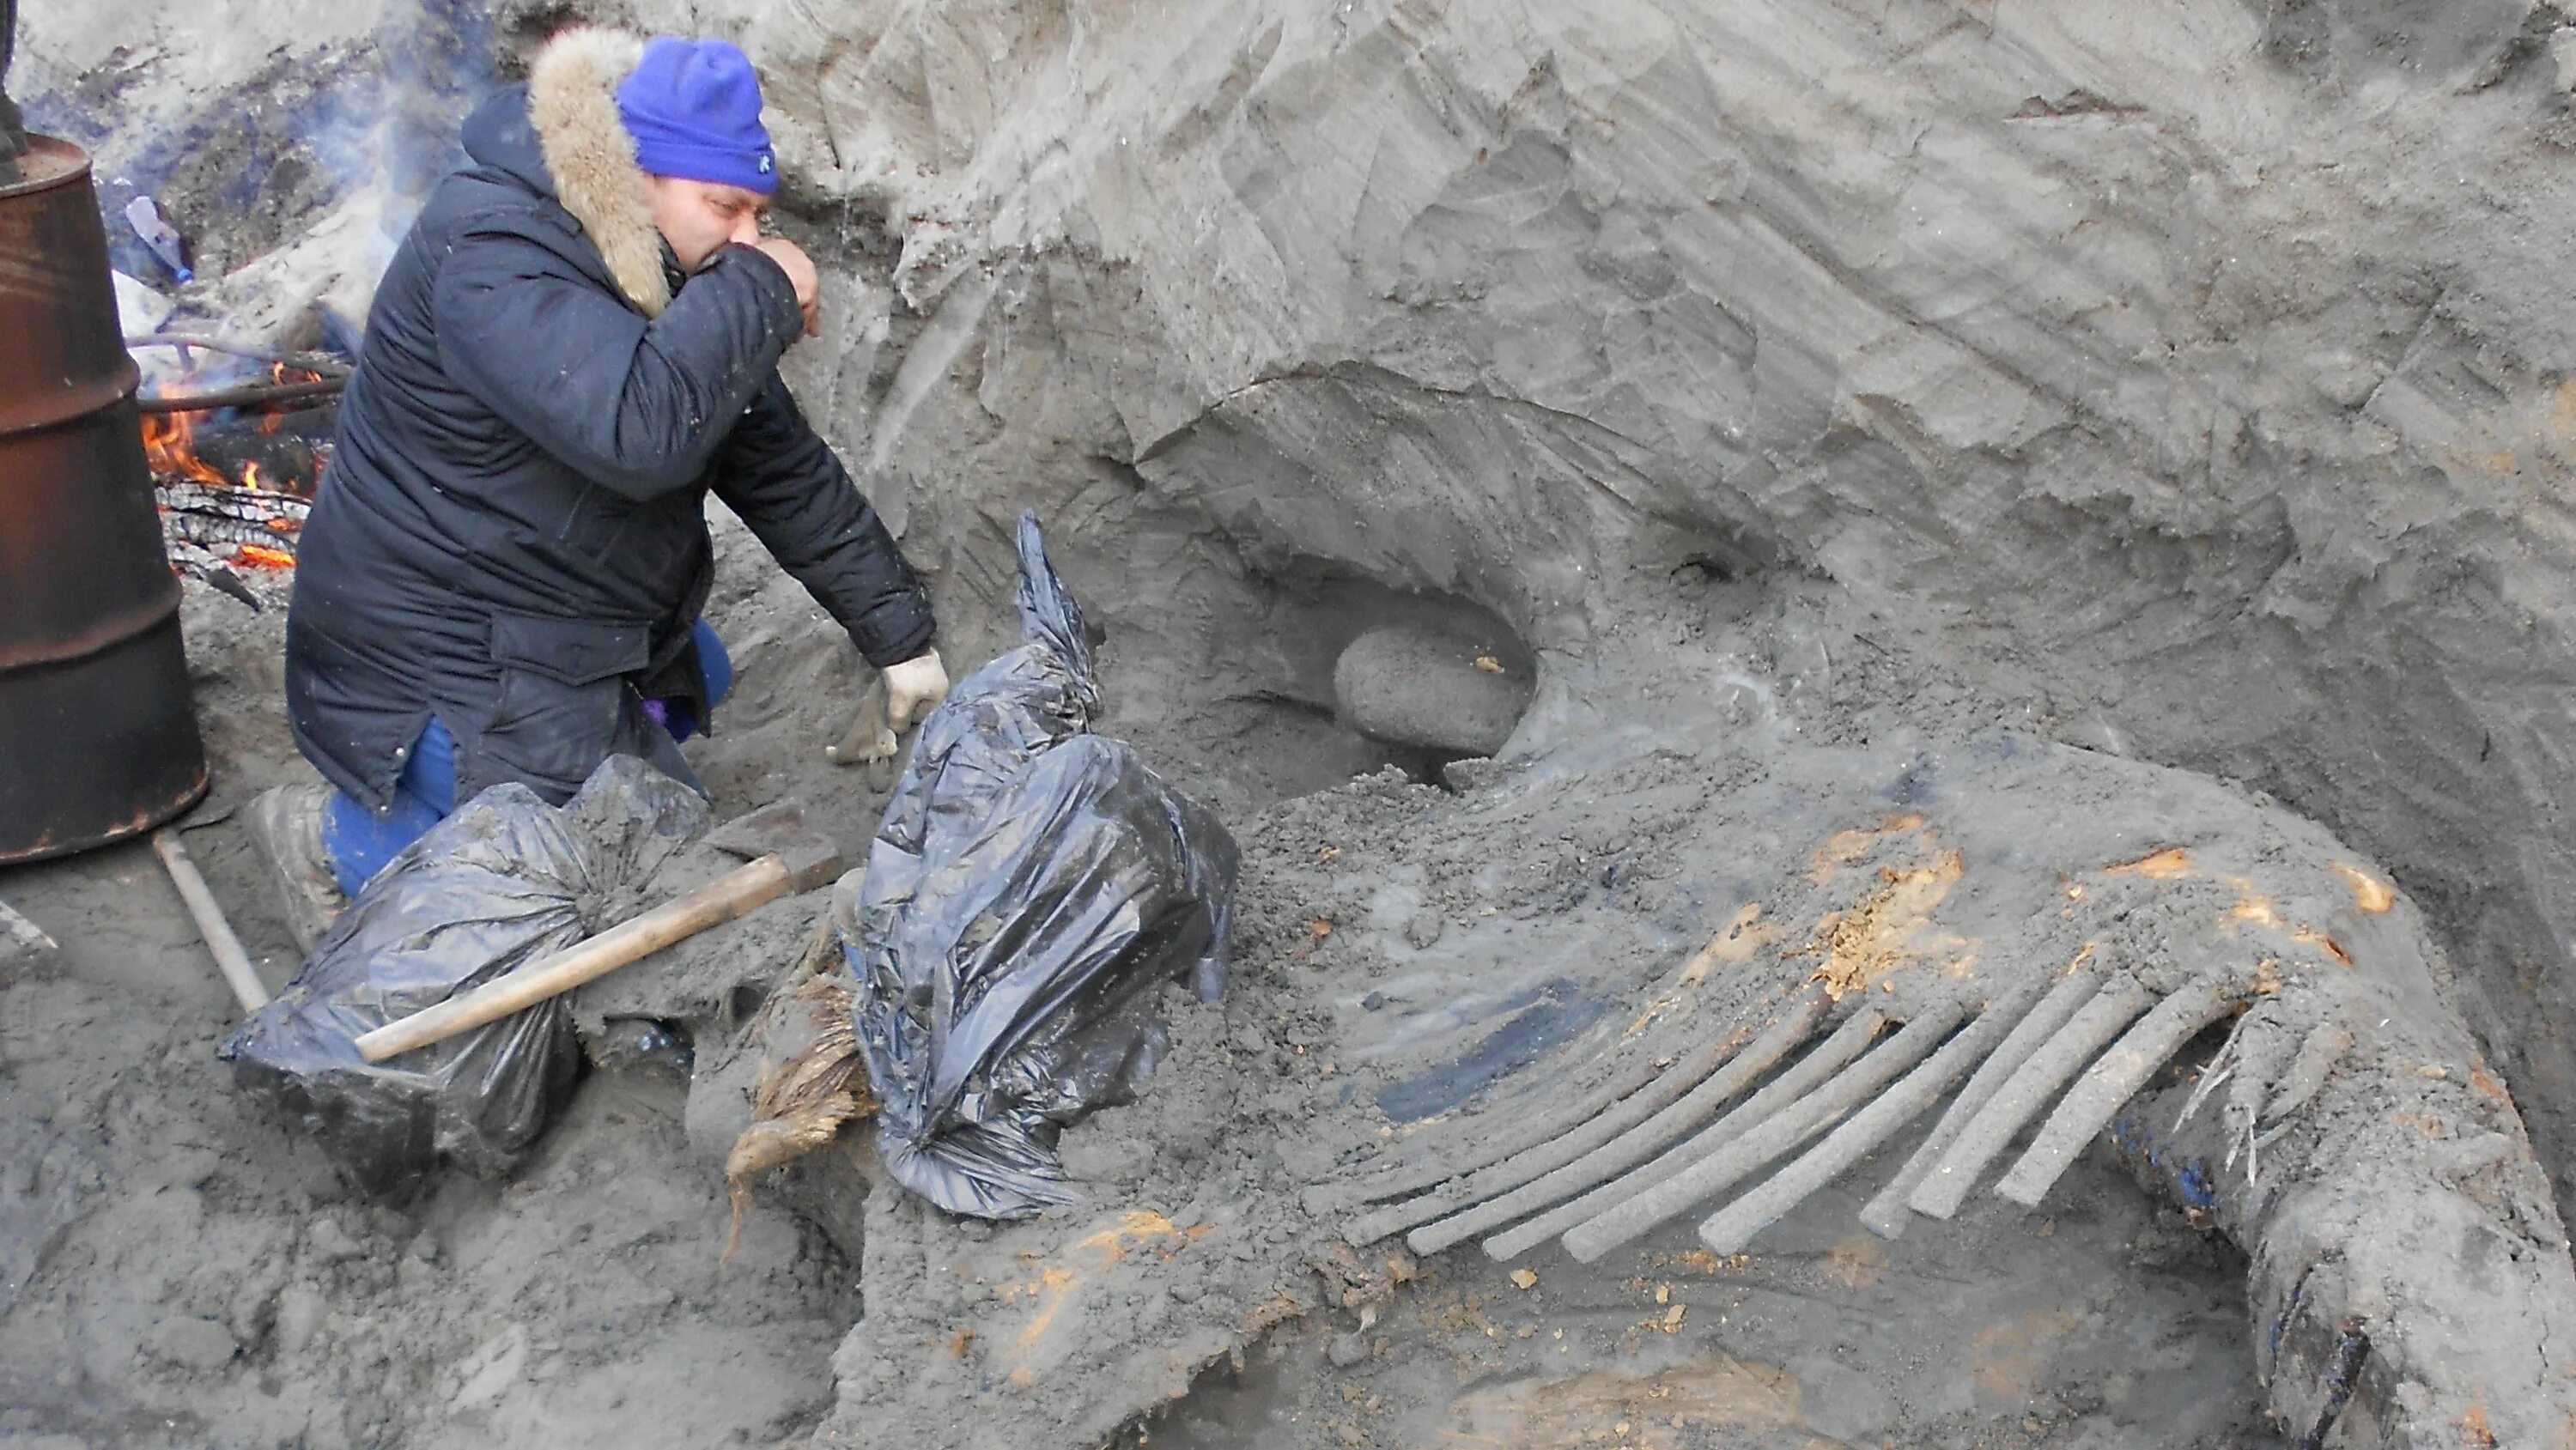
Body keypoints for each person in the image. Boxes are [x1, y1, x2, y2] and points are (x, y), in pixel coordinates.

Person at [248, 28, 948, 949]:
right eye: (725, 208)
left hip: (547, 609)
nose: (745, 242)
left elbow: (772, 460)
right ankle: (336, 841)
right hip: (432, 650)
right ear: (635, 173)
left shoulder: (653, 255)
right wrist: (761, 288)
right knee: (585, 908)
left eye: (759, 220)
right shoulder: (493, 251)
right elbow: (640, 433)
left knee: (688, 712)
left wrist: (900, 640)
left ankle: (543, 778)